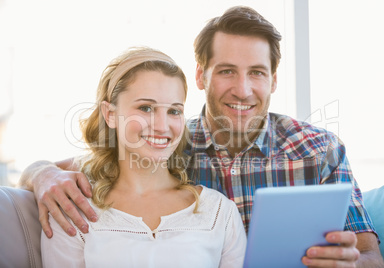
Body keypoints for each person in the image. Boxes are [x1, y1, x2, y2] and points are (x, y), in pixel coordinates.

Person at [21, 6, 384, 267]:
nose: (242, 90)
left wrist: (352, 263)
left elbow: (372, 256)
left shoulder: (320, 150)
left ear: (274, 79)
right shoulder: (163, 142)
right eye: (227, 71)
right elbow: (64, 168)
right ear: (201, 76)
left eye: (257, 73)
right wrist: (42, 174)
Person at [39, 46, 246, 267]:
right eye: (146, 108)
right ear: (110, 114)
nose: (162, 126)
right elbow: (52, 168)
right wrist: (40, 172)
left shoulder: (219, 212)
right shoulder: (73, 211)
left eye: (174, 111)